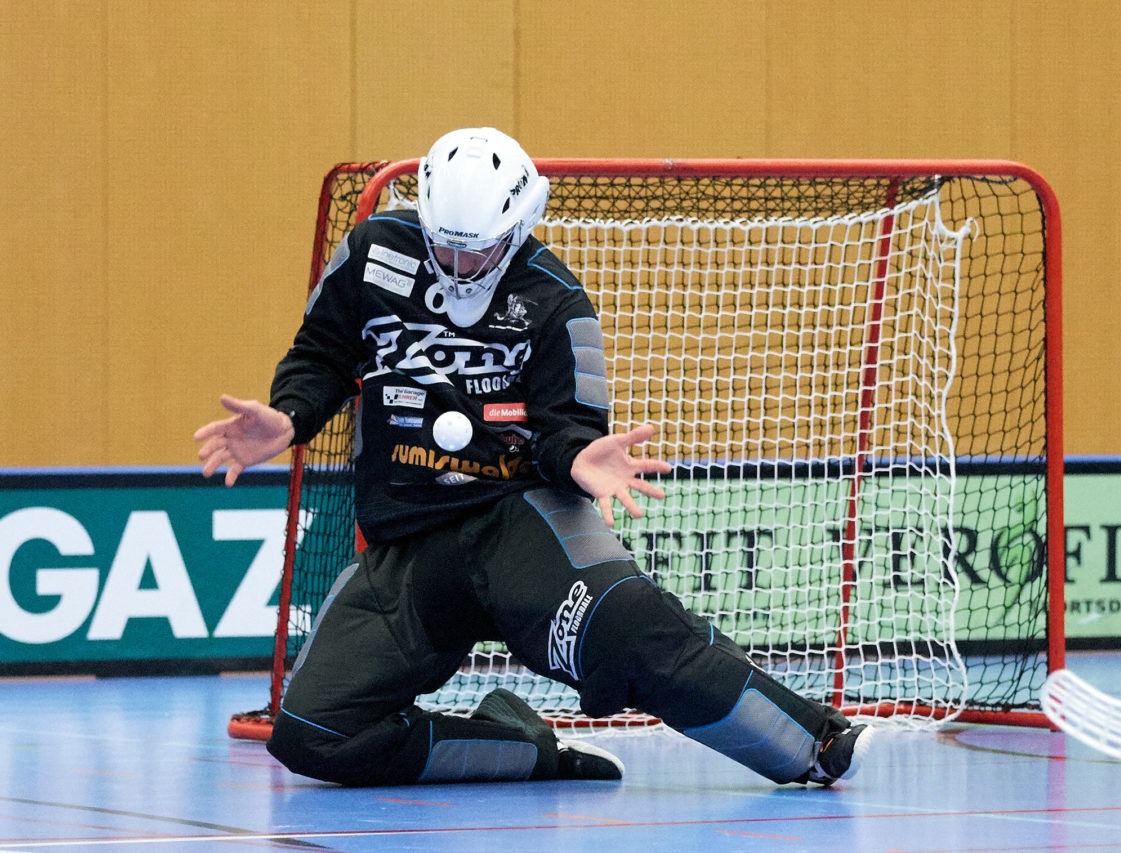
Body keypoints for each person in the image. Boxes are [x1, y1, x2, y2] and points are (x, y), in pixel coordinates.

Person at [194, 126, 874, 787]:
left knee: (632, 633)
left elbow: (568, 427)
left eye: (477, 252)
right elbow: (320, 355)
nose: (458, 267)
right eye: (444, 247)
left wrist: (578, 458)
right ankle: (525, 749)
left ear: (516, 228)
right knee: (311, 732)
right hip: (411, 547)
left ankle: (811, 743)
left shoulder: (557, 301)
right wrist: (288, 415)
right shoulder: (373, 254)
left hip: (522, 524)